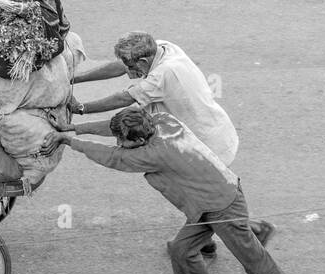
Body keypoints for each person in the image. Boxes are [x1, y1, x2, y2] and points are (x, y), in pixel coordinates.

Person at [43, 106, 322, 274]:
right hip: (211, 200)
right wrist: (71, 128)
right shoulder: (163, 120)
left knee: (258, 265)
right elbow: (113, 128)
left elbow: (112, 157)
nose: (119, 143)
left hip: (220, 206)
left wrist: (68, 141)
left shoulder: (154, 153)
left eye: (124, 141)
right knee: (181, 250)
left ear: (139, 141)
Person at [66, 31, 271, 254]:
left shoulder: (163, 74)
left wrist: (81, 109)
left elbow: (125, 99)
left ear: (143, 61)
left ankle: (245, 232)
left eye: (133, 67)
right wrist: (76, 78)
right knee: (199, 196)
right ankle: (206, 240)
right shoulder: (160, 48)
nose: (130, 73)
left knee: (205, 199)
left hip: (205, 144)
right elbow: (120, 66)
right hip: (203, 132)